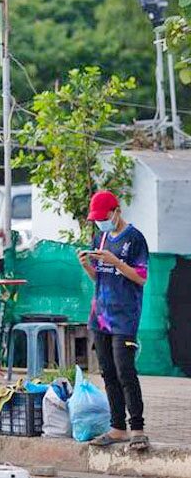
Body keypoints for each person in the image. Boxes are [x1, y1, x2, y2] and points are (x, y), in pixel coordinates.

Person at [79, 190, 149, 451]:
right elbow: (100, 278)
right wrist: (88, 266)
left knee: (125, 372)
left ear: (116, 211)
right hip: (100, 317)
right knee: (107, 372)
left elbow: (140, 277)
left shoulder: (134, 239)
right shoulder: (102, 236)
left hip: (124, 317)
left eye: (103, 217)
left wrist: (116, 261)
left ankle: (138, 428)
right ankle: (117, 427)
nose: (99, 222)